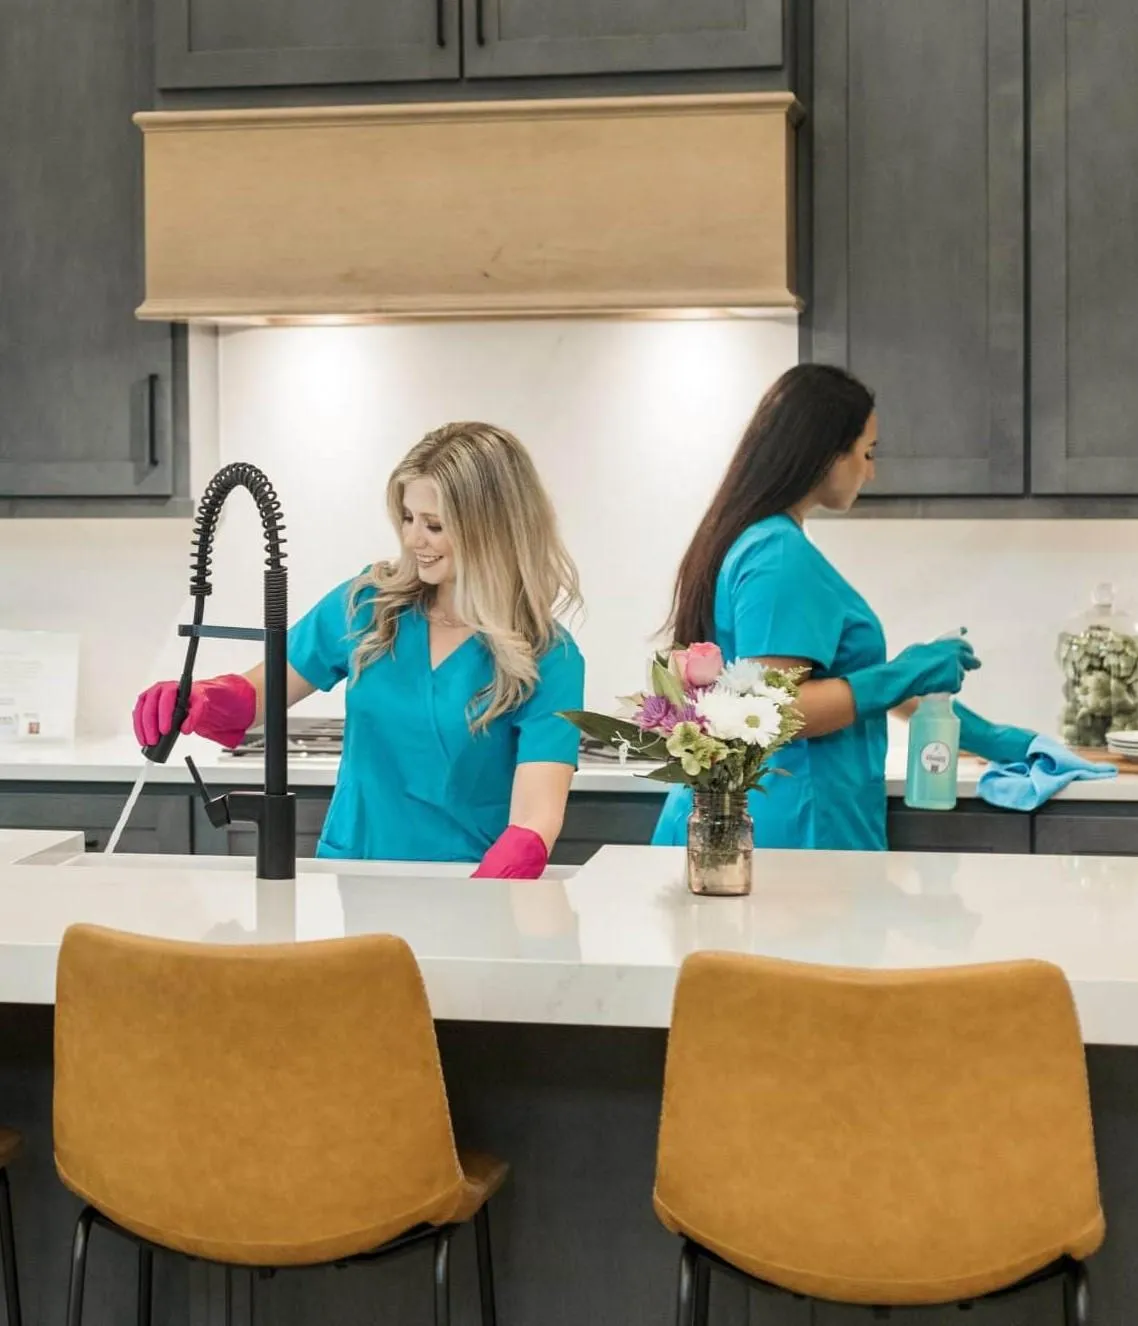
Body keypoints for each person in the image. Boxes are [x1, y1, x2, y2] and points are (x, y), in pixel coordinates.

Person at [133, 422, 585, 877]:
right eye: (407, 518)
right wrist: (200, 699)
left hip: (466, 880)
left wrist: (494, 888)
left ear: (493, 529)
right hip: (356, 873)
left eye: (434, 525)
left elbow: (535, 816)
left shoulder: (549, 656)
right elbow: (257, 696)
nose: (412, 540)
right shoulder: (368, 605)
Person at [652, 363, 1036, 852]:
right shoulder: (779, 554)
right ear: (827, 454)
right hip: (788, 830)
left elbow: (843, 683)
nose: (871, 470)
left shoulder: (762, 541)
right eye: (867, 452)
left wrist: (1002, 741)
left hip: (767, 822)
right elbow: (778, 708)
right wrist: (904, 672)